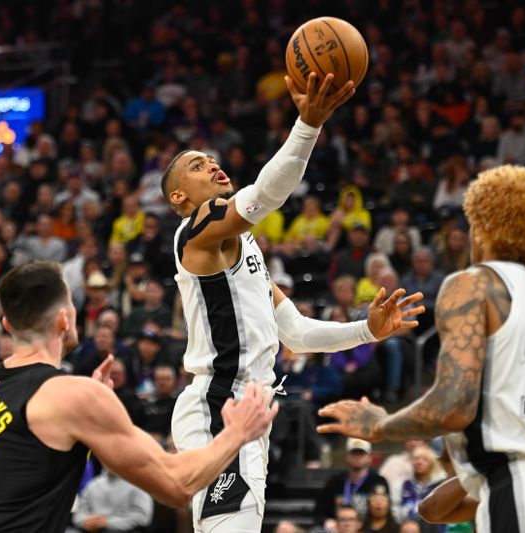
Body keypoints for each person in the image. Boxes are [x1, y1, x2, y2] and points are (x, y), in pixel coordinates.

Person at [162, 72, 423, 533]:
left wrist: (369, 330)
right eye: (198, 166)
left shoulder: (246, 249)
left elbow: (298, 332)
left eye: (210, 159)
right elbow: (265, 196)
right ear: (179, 197)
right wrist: (308, 124)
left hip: (249, 408)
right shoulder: (197, 231)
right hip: (219, 403)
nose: (212, 164)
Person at [317, 165, 525, 531]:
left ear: (486, 226)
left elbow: (453, 407)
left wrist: (380, 424)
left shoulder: (476, 285)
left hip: (524, 496)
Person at [0, 261, 278, 533]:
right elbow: (176, 484)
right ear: (63, 320)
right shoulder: (70, 397)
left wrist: (83, 424)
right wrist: (236, 433)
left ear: (6, 325)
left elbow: (21, 469)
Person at [316, 438, 390, 521]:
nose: (357, 457)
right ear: (347, 457)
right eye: (354, 453)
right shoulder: (335, 482)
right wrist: (327, 522)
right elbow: (320, 511)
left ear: (369, 458)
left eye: (361, 453)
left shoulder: (378, 482)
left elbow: (384, 513)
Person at [72, 470, 153, 532]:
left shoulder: (139, 484)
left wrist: (107, 523)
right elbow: (78, 516)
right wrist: (85, 522)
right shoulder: (93, 484)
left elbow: (143, 518)